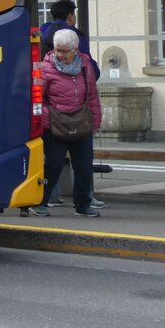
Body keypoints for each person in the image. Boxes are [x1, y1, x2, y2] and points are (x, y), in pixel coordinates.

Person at [30, 27, 103, 218]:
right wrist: (48, 116)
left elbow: (92, 96)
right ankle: (40, 202)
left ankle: (83, 204)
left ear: (76, 50)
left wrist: (95, 122)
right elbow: (37, 98)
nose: (59, 55)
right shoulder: (44, 68)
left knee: (84, 166)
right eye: (57, 50)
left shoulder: (86, 66)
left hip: (81, 122)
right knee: (53, 165)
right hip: (55, 124)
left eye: (64, 51)